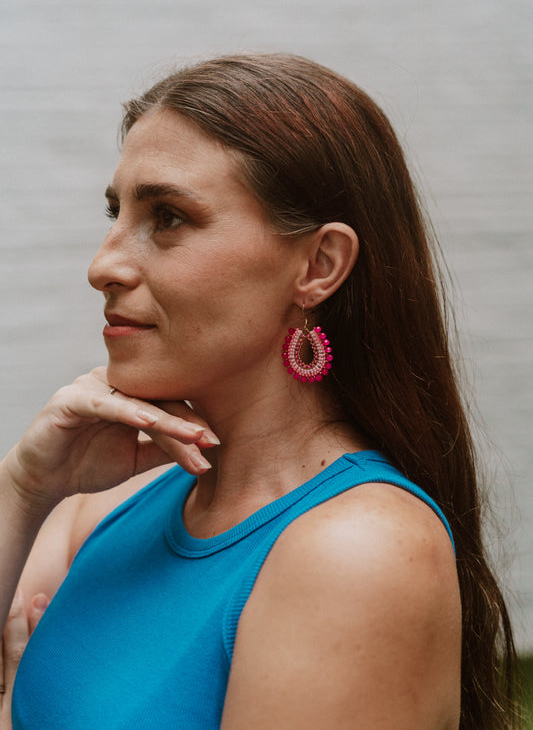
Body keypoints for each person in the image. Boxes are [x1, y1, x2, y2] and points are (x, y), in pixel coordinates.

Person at [0, 54, 521, 729]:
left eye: (168, 217)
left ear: (318, 265)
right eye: (114, 212)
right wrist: (23, 487)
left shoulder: (357, 553)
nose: (103, 265)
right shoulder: (102, 504)